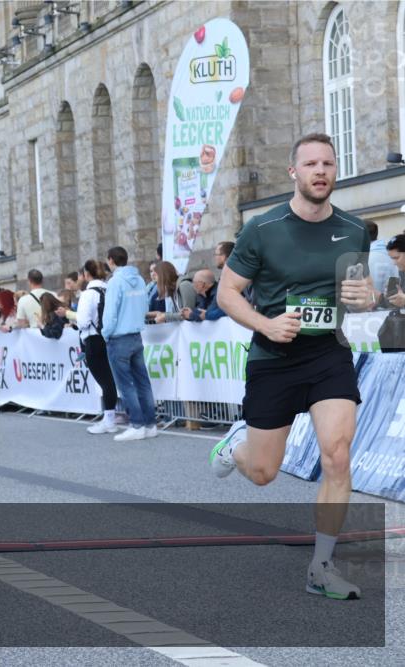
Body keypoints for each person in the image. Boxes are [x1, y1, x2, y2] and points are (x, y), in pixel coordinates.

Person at [211, 133, 374, 599]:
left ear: (335, 170)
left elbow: (356, 294)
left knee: (337, 455)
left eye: (327, 163)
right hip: (274, 358)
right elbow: (226, 294)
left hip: (328, 355)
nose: (320, 171)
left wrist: (365, 298)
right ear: (294, 172)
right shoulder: (262, 228)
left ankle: (322, 566)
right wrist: (266, 324)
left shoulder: (355, 229)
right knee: (263, 472)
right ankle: (235, 449)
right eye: (310, 164)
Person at [101, 246, 157, 442]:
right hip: (136, 334)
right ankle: (150, 424)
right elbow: (144, 306)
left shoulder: (115, 282)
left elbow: (110, 313)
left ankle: (137, 424)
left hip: (119, 337)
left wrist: (105, 334)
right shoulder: (140, 280)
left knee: (126, 385)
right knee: (143, 382)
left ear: (110, 260)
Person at [68, 260, 119, 434]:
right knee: (109, 379)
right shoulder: (108, 289)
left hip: (93, 339)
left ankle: (109, 419)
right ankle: (110, 417)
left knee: (105, 381)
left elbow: (82, 321)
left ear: (86, 274)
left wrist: (75, 321)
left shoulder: (88, 294)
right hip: (109, 337)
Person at [377, 233, 405, 309]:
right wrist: (382, 298)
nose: (394, 263)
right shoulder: (400, 273)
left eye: (397, 257)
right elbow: (390, 305)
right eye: (392, 258)